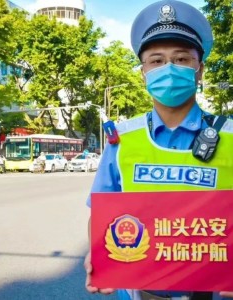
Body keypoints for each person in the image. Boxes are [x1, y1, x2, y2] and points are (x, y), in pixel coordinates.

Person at [84, 1, 233, 300]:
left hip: (213, 291)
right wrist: (97, 254)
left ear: (199, 70)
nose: (169, 69)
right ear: (143, 73)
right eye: (157, 60)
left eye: (181, 59)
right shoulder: (121, 140)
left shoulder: (230, 136)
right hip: (134, 290)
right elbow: (102, 209)